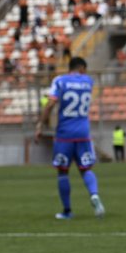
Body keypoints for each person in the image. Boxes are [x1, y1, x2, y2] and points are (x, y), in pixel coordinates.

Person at [35, 57, 106, 220]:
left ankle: (67, 211)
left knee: (63, 172)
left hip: (64, 135)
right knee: (86, 169)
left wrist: (40, 124)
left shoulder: (60, 81)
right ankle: (94, 195)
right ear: (81, 68)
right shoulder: (88, 81)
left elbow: (51, 103)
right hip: (83, 133)